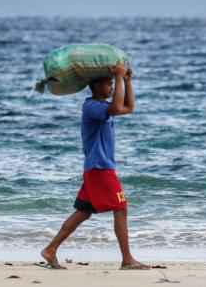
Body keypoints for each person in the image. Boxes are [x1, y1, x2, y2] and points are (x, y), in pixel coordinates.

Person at [40, 62, 149, 270]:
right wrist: (118, 76)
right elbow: (117, 107)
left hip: (96, 168)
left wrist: (126, 80)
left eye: (111, 84)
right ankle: (127, 260)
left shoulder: (102, 108)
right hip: (100, 169)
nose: (110, 88)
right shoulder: (91, 107)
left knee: (83, 211)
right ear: (97, 87)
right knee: (121, 208)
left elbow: (128, 107)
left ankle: (50, 249)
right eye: (108, 84)